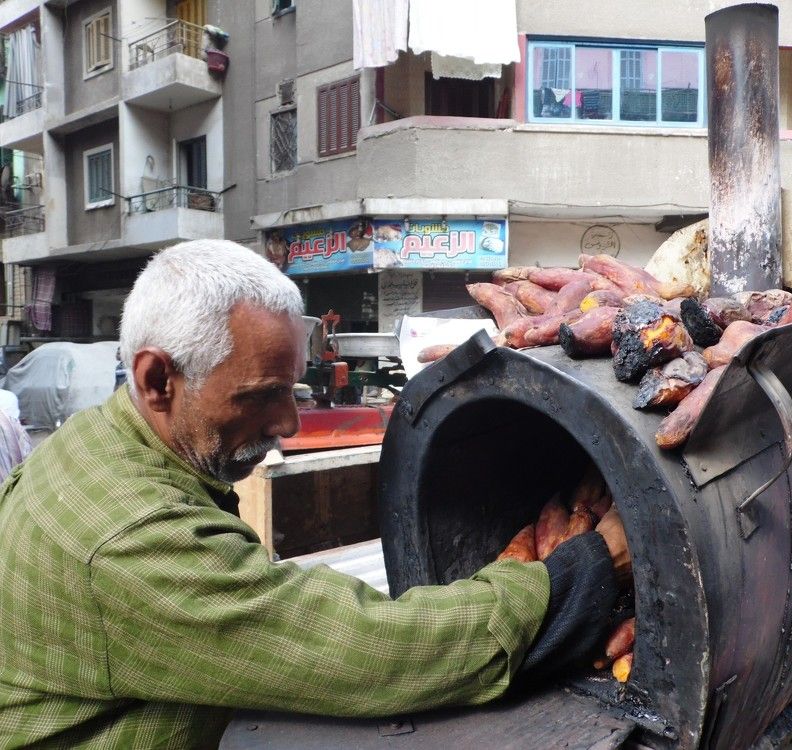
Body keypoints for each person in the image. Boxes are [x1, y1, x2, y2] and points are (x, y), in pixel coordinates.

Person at [0, 240, 630, 748]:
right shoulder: (130, 538)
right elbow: (373, 653)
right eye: (260, 395)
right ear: (158, 377)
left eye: (290, 390)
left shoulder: (98, 440)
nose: (287, 425)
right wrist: (584, 566)